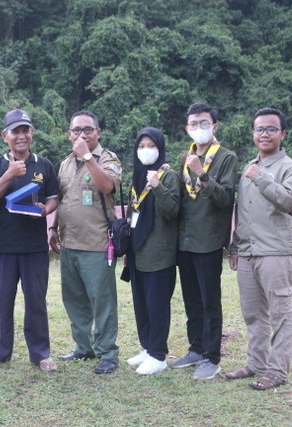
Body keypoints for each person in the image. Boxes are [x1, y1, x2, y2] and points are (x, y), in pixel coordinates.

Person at [228, 108, 292, 390]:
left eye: (271, 129)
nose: (264, 134)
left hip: (276, 252)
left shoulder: (289, 168)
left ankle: (277, 372)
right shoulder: (250, 166)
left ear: (283, 134)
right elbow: (243, 212)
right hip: (247, 252)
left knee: (281, 315)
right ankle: (256, 364)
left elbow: (289, 202)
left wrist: (261, 178)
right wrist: (236, 245)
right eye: (259, 129)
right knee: (252, 313)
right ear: (253, 134)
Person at [0, 109, 60, 372]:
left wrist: (45, 210)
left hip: (35, 246)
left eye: (26, 130)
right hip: (5, 245)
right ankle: (1, 353)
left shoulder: (44, 165)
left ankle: (40, 353)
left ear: (32, 133)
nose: (21, 135)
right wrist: (9, 174)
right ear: (5, 136)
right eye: (16, 131)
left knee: (36, 300)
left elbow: (54, 197)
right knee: (4, 300)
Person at [49, 111, 122, 374]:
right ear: (69, 134)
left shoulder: (108, 159)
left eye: (88, 130)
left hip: (98, 244)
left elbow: (106, 186)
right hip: (69, 243)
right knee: (75, 299)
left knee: (102, 301)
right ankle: (84, 346)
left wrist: (88, 157)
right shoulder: (65, 163)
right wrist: (53, 227)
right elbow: (62, 198)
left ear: (98, 133)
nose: (82, 134)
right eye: (77, 130)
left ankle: (107, 353)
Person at [172, 102, 238, 380]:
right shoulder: (186, 156)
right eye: (193, 124)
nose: (199, 128)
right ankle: (196, 347)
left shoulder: (226, 157)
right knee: (191, 300)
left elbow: (226, 198)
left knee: (210, 301)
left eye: (204, 123)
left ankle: (212, 356)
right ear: (187, 128)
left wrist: (202, 173)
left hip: (209, 240)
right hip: (185, 241)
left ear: (214, 126)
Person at [124, 127, 180, 375]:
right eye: (141, 146)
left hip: (160, 252)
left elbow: (173, 211)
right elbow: (132, 212)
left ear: (160, 147)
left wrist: (157, 186)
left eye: (151, 145)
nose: (145, 150)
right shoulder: (136, 176)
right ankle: (147, 348)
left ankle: (158, 355)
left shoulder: (169, 176)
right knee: (141, 303)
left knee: (157, 305)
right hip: (138, 250)